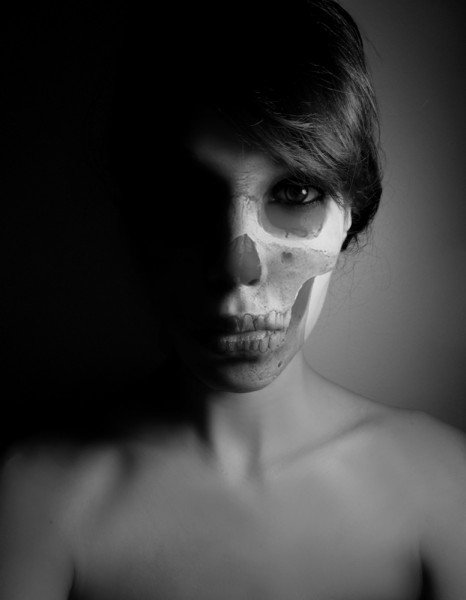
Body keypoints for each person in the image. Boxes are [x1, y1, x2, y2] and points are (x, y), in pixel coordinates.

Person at [1, 1, 465, 598]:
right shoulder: (37, 501)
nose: (234, 266)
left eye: (295, 191)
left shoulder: (446, 485)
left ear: (350, 213)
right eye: (183, 198)